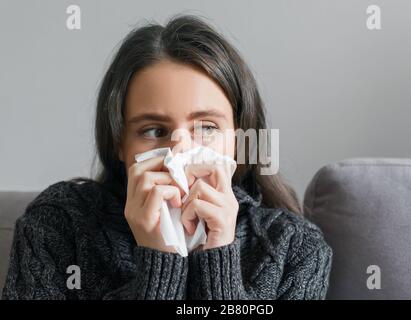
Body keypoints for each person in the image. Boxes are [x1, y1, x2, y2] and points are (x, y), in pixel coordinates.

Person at [2, 15, 332, 300]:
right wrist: (159, 258)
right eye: (153, 131)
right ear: (120, 143)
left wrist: (220, 258)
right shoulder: (59, 227)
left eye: (206, 127)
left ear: (239, 138)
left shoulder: (294, 247)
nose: (180, 153)